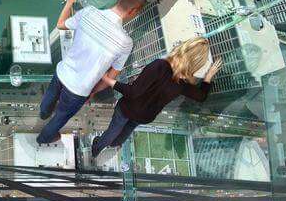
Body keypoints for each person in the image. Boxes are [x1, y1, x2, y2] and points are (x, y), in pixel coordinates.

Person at [37, 0, 146, 144]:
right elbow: (111, 77)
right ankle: (44, 138)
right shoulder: (125, 43)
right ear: (133, 12)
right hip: (79, 90)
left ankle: (43, 113)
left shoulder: (89, 12)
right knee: (59, 118)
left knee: (49, 100)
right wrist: (93, 92)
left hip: (62, 72)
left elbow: (60, 24)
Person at [91, 37, 222, 157]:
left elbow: (132, 92)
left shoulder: (159, 65)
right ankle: (115, 145)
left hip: (128, 107)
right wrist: (208, 77)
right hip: (146, 116)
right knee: (127, 129)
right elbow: (201, 97)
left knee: (114, 129)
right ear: (196, 64)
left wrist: (107, 79)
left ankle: (97, 147)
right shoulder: (183, 84)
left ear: (183, 48)